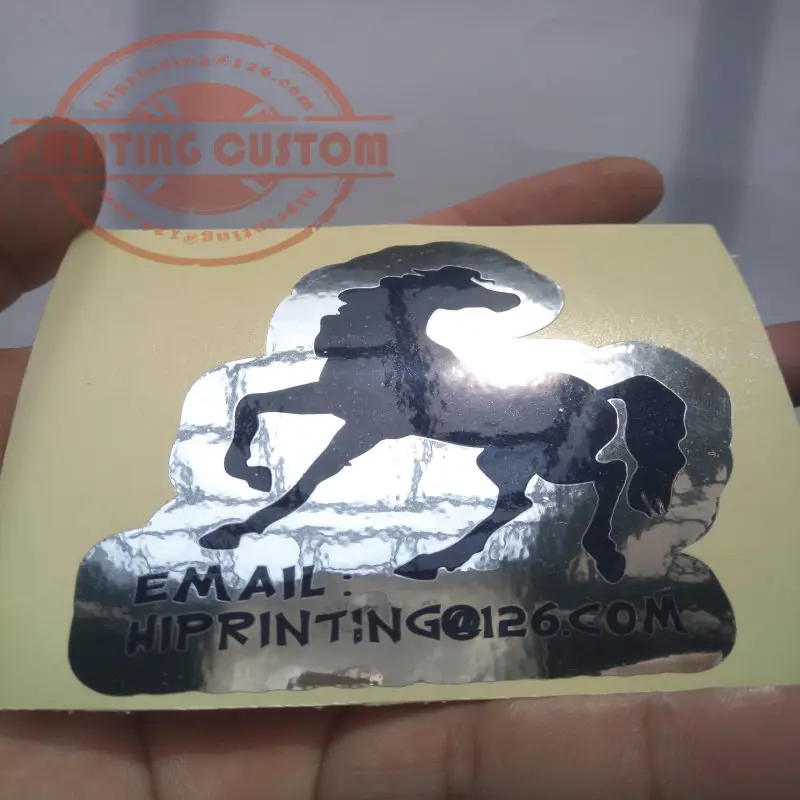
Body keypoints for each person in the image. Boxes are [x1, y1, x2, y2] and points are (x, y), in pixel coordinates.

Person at [0, 120, 797, 799]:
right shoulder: (371, 354)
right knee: (487, 481)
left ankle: (603, 502)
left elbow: (355, 430)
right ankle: (280, 510)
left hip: (501, 421)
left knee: (552, 477)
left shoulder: (422, 371)